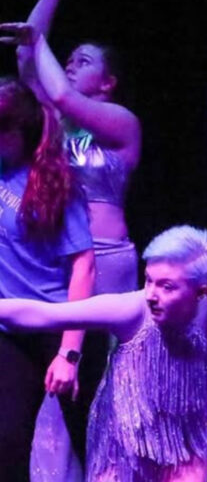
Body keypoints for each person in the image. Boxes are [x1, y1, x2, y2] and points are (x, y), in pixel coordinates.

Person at [0, 225, 207, 481]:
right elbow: (40, 314)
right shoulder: (132, 310)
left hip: (188, 442)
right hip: (123, 445)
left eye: (167, 286)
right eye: (148, 280)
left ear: (199, 290)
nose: (152, 295)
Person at [3, 0, 141, 481]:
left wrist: (43, 45)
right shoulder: (53, 126)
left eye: (84, 60)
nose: (72, 65)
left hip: (106, 264)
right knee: (53, 387)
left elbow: (53, 83)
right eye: (71, 58)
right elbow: (26, 64)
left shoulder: (121, 123)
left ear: (108, 83)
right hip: (63, 264)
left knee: (101, 389)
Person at [0, 78, 95, 482]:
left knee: (91, 440)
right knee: (7, 441)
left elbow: (84, 265)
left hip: (57, 326)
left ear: (18, 134)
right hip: (10, 329)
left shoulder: (53, 181)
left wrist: (69, 353)